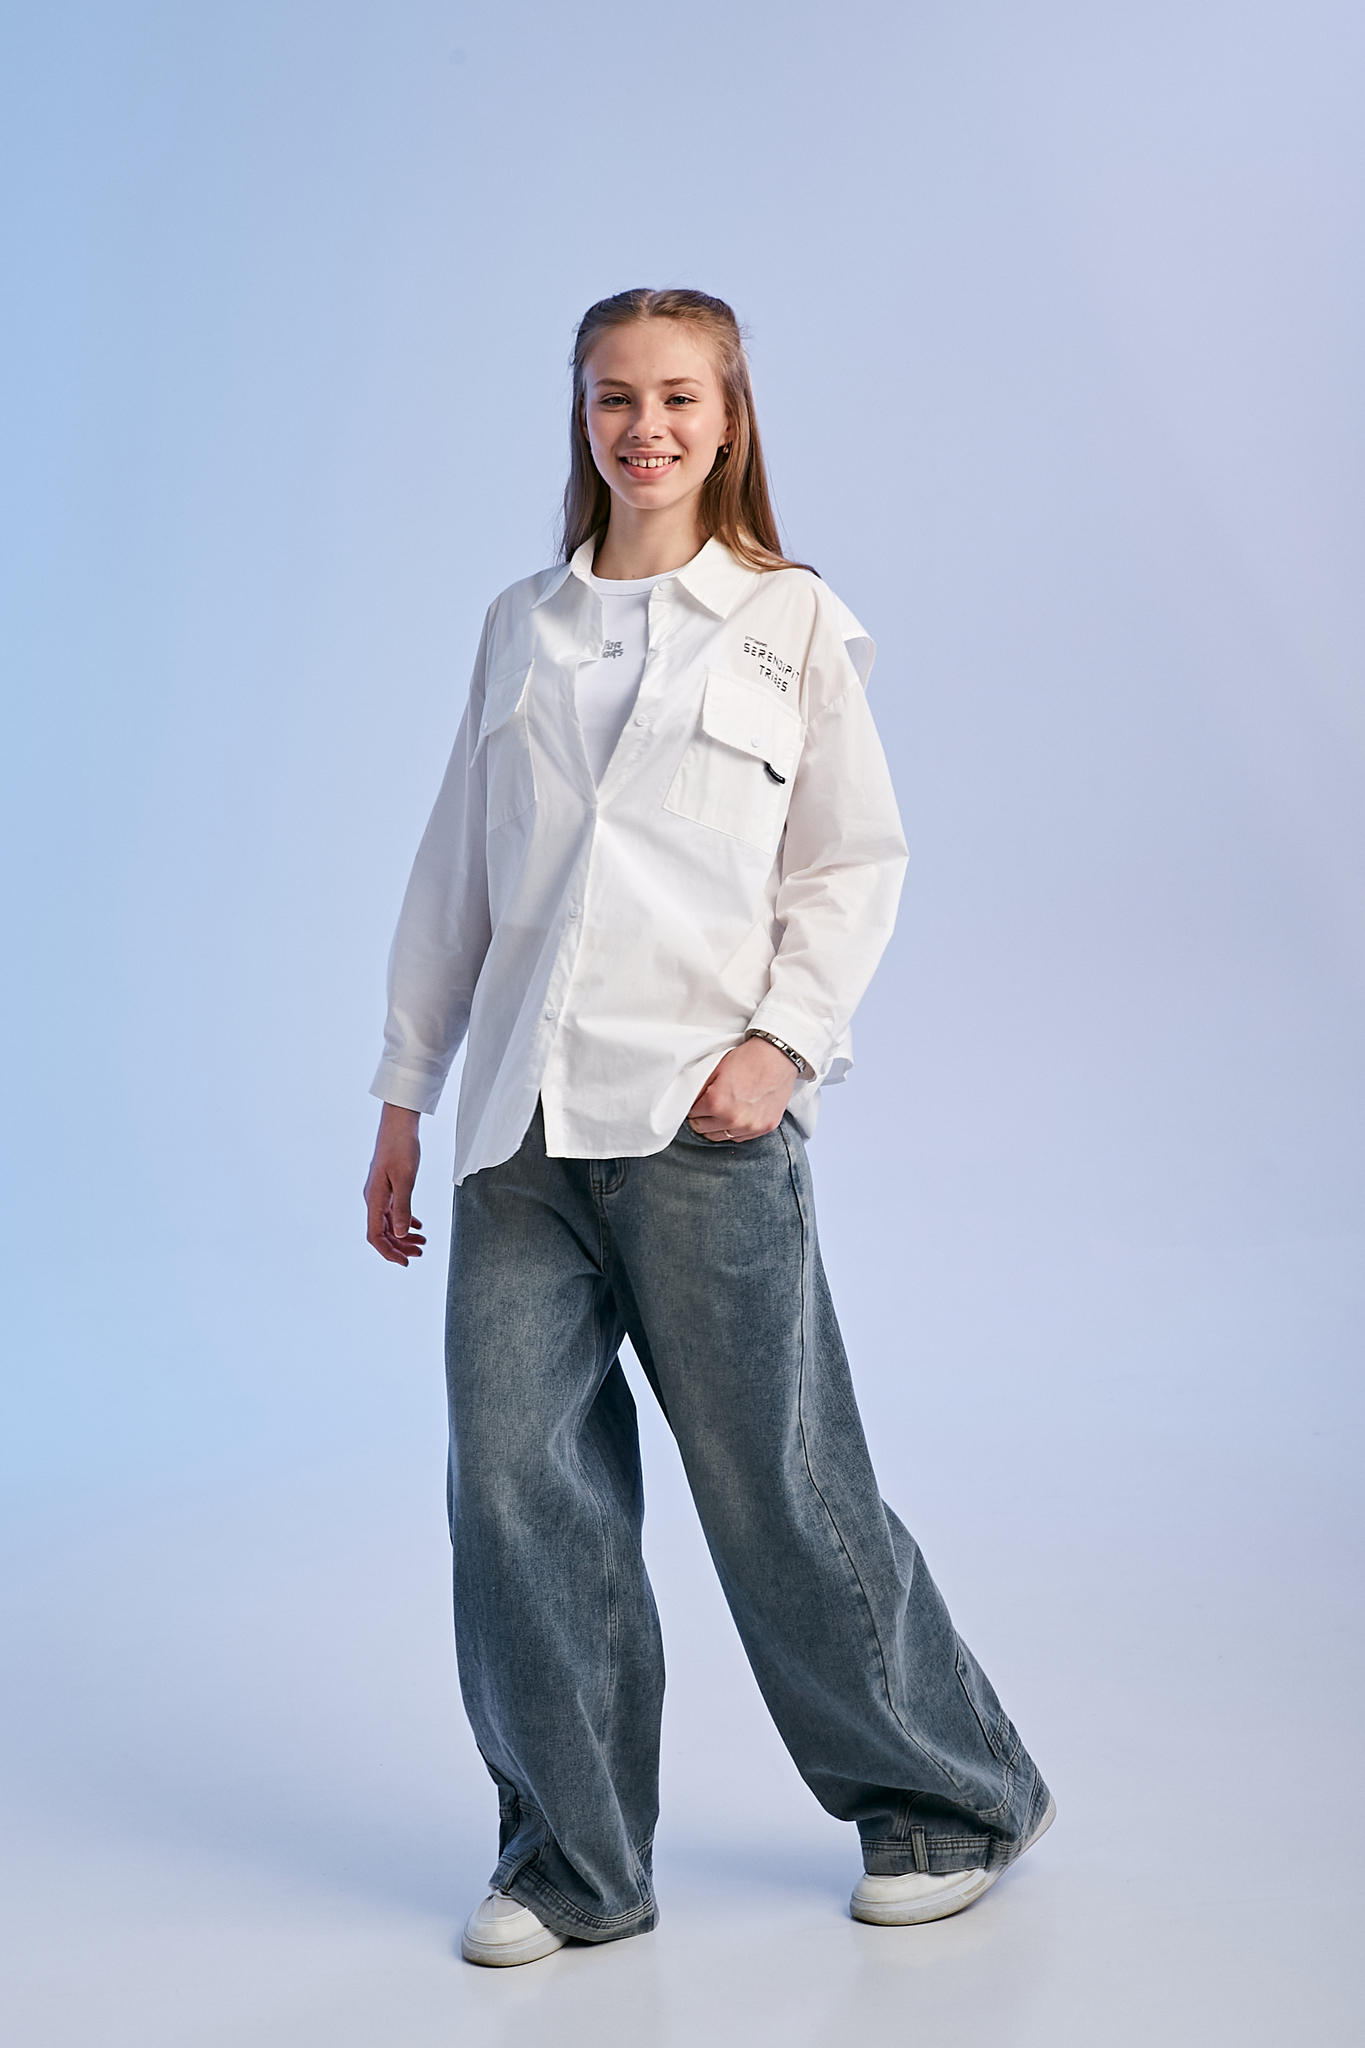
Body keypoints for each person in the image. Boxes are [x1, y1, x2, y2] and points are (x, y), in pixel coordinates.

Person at [363, 288, 1052, 1969]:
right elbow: (454, 873)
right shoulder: (521, 625)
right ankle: (573, 1862)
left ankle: (947, 1797)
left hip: (702, 1118)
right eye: (615, 397)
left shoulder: (787, 619)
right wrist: (402, 1096)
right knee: (511, 1493)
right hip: (520, 1129)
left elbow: (851, 861)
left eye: (679, 396)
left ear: (729, 418)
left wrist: (784, 1047)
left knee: (776, 1488)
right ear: (581, 416)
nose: (645, 426)